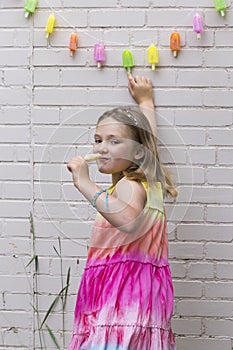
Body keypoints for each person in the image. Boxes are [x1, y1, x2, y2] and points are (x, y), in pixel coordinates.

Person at [67, 73, 177, 350]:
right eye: (98, 139)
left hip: (121, 294)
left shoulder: (130, 186)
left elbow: (127, 220)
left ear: (137, 153)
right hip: (141, 294)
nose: (102, 148)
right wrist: (145, 103)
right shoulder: (148, 180)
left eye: (114, 141)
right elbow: (147, 141)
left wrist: (84, 183)